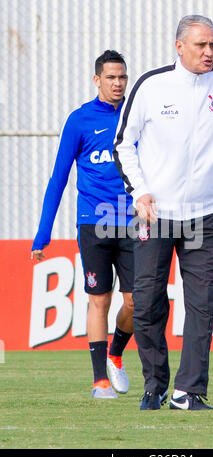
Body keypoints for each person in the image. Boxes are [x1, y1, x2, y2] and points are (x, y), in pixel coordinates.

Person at [113, 15, 213, 410]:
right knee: (148, 300)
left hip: (204, 216)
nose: (209, 52)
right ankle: (155, 385)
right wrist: (140, 191)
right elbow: (123, 144)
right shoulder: (151, 86)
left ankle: (190, 391)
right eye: (201, 45)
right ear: (179, 46)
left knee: (202, 303)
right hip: (155, 214)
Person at [31, 50, 135, 399]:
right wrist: (42, 235)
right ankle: (99, 381)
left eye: (122, 77)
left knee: (137, 302)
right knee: (99, 299)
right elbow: (58, 179)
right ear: (97, 80)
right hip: (94, 222)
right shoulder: (79, 120)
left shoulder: (137, 116)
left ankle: (116, 355)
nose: (118, 83)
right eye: (111, 78)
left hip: (135, 222)